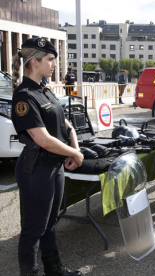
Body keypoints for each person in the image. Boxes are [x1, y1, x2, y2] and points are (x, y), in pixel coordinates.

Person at [11, 37, 84, 276]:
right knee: (34, 228)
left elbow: (65, 124)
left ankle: (54, 270)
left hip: (55, 166)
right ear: (34, 62)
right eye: (51, 59)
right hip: (37, 169)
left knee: (50, 223)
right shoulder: (24, 95)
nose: (55, 64)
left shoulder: (44, 90)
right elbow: (42, 139)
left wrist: (75, 147)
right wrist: (73, 153)